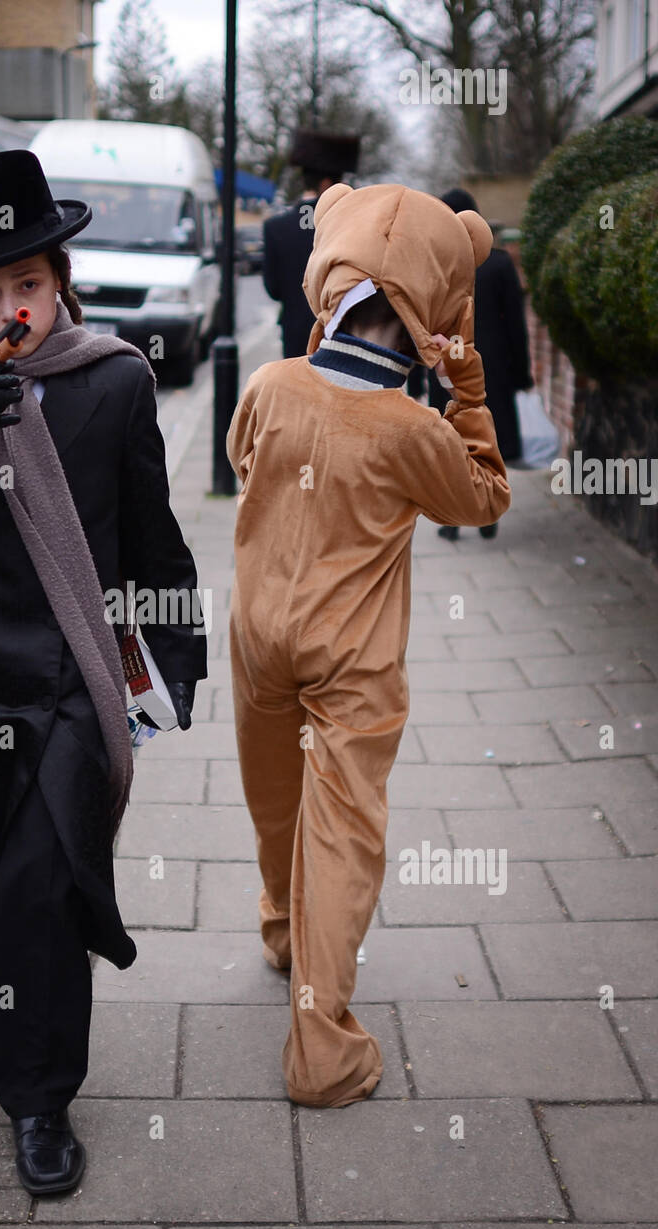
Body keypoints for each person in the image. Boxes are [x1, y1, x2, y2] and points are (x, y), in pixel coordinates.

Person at [0, 150, 207, 1194]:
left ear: (59, 276)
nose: (7, 306)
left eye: (26, 282)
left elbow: (150, 536)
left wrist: (170, 664)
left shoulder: (113, 380)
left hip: (64, 686)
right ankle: (11, 995)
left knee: (42, 894)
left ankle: (38, 1100)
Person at [227, 182, 510, 1107]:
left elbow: (242, 460)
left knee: (276, 804)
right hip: (354, 664)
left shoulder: (270, 385)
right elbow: (486, 497)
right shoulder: (414, 429)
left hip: (260, 635)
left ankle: (282, 932)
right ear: (435, 308)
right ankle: (321, 1048)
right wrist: (466, 386)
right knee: (340, 834)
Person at [407, 187, 534, 541]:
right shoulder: (499, 263)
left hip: (443, 369)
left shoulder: (432, 265)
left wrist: (414, 381)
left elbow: (418, 325)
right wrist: (522, 373)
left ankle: (450, 519)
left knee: (448, 443)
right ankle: (487, 513)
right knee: (485, 440)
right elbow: (515, 326)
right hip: (490, 372)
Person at [262, 129, 360, 358]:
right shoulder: (350, 226)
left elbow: (273, 289)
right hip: (342, 339)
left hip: (295, 338)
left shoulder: (275, 227)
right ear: (327, 184)